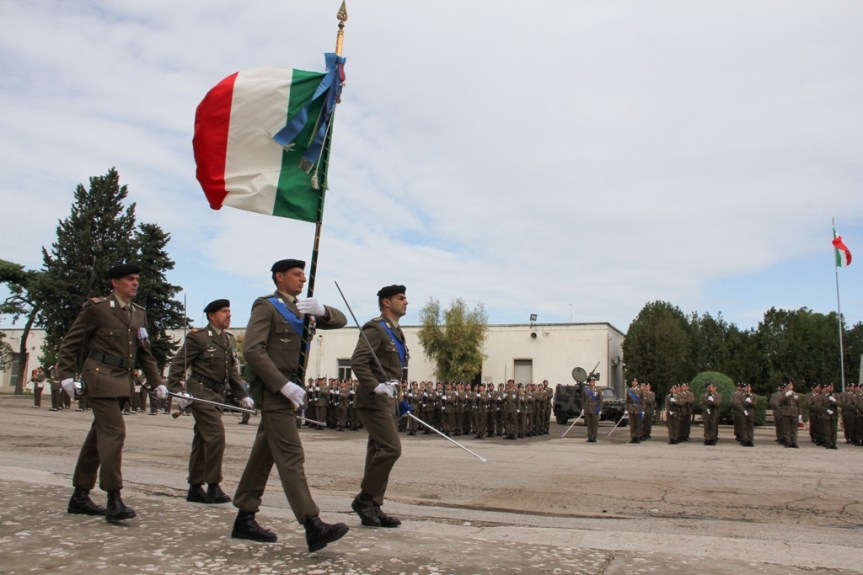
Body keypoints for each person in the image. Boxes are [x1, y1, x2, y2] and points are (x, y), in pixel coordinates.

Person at [231, 259, 349, 552]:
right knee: (291, 455)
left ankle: (245, 516)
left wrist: (322, 311)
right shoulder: (267, 306)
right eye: (296, 274)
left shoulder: (301, 310)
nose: (302, 279)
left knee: (265, 453)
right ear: (279, 277)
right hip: (274, 391)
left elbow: (341, 320)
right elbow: (252, 349)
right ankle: (312, 524)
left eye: (303, 274)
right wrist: (280, 384)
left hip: (289, 390)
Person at [57, 263, 166, 523]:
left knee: (98, 438)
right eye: (130, 279)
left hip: (122, 381)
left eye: (137, 279)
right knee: (114, 433)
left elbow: (145, 354)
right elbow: (71, 343)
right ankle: (114, 498)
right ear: (115, 282)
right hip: (100, 377)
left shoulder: (139, 314)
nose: (135, 283)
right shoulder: (98, 308)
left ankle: (80, 495)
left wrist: (157, 382)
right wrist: (65, 376)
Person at [167, 299, 254, 505]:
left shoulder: (229, 340)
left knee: (202, 439)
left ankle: (195, 486)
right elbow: (178, 365)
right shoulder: (198, 338)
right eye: (224, 311)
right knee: (216, 436)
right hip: (200, 391)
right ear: (211, 316)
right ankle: (213, 486)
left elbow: (232, 372)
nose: (229, 315)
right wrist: (178, 392)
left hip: (217, 395)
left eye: (229, 311)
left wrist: (242, 395)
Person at [350, 284, 409, 529]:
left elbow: (397, 370)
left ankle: (373, 505)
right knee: (391, 449)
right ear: (386, 302)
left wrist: (401, 398)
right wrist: (375, 386)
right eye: (400, 298)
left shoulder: (397, 332)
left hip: (390, 401)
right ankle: (364, 499)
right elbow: (358, 361)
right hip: (374, 400)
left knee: (377, 452)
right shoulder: (376, 328)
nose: (406, 301)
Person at [582, 376, 602, 442]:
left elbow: (600, 400)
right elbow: (583, 400)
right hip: (588, 409)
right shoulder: (586, 390)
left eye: (593, 381)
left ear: (594, 382)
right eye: (591, 381)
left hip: (595, 409)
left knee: (594, 424)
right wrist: (583, 409)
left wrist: (600, 410)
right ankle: (589, 437)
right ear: (589, 382)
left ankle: (594, 437)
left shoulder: (598, 389)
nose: (592, 382)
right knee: (589, 424)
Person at [625, 379, 643, 444]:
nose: (634, 383)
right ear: (632, 383)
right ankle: (633, 437)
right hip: (631, 408)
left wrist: (643, 409)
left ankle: (637, 437)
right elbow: (627, 401)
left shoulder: (640, 390)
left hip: (638, 408)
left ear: (637, 383)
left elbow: (643, 400)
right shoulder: (629, 390)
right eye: (633, 382)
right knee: (632, 424)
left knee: (638, 424)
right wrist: (626, 409)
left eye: (635, 382)